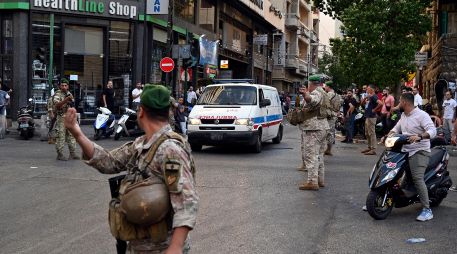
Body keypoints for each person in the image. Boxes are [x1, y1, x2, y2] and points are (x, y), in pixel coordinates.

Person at [63, 84, 199, 253]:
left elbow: (187, 201)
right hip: (138, 246)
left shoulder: (170, 149)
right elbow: (109, 161)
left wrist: (176, 247)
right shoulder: (141, 144)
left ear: (140, 112)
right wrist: (77, 133)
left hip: (162, 248)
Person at [388, 93, 436, 221]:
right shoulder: (404, 115)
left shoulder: (422, 115)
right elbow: (396, 128)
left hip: (420, 151)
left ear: (405, 103)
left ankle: (427, 209)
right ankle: (382, 199)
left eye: (399, 101)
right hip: (404, 150)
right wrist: (390, 134)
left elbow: (433, 130)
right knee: (392, 172)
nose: (398, 104)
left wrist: (420, 136)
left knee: (417, 178)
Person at [298, 75, 330, 191]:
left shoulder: (316, 92)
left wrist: (306, 95)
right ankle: (320, 180)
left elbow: (312, 101)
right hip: (323, 127)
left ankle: (312, 181)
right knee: (319, 155)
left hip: (314, 128)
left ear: (311, 84)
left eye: (308, 84)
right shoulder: (324, 92)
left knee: (311, 155)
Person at [53, 79, 79, 161]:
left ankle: (73, 153)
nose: (64, 87)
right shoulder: (57, 94)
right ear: (60, 86)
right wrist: (66, 100)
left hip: (69, 117)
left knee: (72, 136)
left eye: (65, 85)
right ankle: (60, 154)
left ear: (68, 86)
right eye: (62, 85)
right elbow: (57, 105)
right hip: (61, 118)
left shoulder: (69, 94)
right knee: (61, 136)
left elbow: (73, 104)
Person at [361, 85, 383, 155]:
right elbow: (362, 104)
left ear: (372, 89)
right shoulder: (369, 97)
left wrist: (374, 110)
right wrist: (365, 98)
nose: (367, 90)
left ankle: (373, 149)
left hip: (371, 117)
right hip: (368, 116)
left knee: (372, 133)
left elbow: (380, 103)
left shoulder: (374, 96)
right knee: (367, 133)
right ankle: (369, 147)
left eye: (368, 89)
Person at [324, 81, 341, 155]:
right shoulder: (337, 95)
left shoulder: (329, 94)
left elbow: (324, 103)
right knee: (331, 132)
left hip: (329, 115)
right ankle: (329, 149)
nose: (325, 88)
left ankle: (328, 149)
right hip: (334, 114)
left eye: (326, 86)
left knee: (328, 133)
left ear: (328, 87)